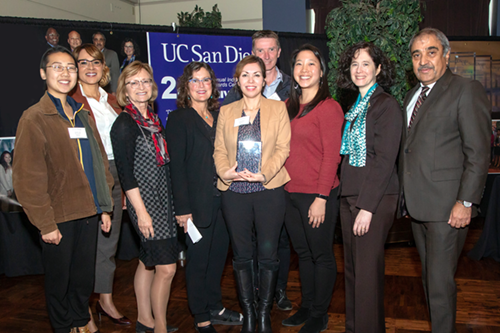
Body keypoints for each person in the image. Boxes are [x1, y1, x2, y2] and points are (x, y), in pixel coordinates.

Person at [13, 46, 114, 333]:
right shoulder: (33, 118)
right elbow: (26, 179)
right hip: (57, 216)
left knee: (83, 279)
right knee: (60, 282)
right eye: (57, 67)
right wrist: (45, 223)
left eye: (70, 67)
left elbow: (99, 163)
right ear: (43, 73)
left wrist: (104, 206)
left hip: (89, 211)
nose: (65, 73)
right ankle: (63, 327)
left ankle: (80, 323)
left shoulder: (81, 114)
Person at [399, 28, 490, 333]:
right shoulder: (412, 95)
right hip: (418, 206)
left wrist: (465, 202)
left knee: (438, 284)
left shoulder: (466, 89)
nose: (423, 60)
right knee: (430, 279)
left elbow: (478, 153)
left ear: (447, 55)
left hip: (448, 210)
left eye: (431, 52)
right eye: (416, 54)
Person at [214, 55, 291, 333]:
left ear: (264, 78)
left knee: (269, 255)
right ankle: (248, 312)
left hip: (268, 190)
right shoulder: (227, 111)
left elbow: (283, 147)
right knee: (242, 255)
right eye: (245, 75)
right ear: (237, 80)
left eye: (256, 75)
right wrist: (226, 171)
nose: (250, 80)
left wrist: (264, 173)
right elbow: (219, 150)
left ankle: (263, 313)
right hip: (234, 191)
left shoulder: (277, 109)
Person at [166, 62, 243, 333]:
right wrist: (182, 210)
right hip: (196, 205)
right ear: (186, 86)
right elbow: (176, 168)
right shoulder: (179, 119)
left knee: (217, 259)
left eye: (206, 80)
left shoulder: (219, 116)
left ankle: (215, 305)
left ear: (213, 86)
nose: (201, 85)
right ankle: (201, 315)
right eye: (195, 80)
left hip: (223, 201)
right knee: (198, 262)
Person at [336, 42, 402, 333]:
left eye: (365, 64)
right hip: (349, 195)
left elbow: (385, 160)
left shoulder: (386, 105)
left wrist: (366, 206)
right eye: (354, 64)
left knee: (366, 275)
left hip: (373, 199)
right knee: (353, 272)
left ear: (378, 68)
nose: (359, 70)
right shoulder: (354, 107)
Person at [111, 61, 178, 333]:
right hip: (146, 204)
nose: (141, 87)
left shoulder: (152, 120)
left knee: (147, 262)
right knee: (167, 269)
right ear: (124, 90)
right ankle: (159, 327)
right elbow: (126, 175)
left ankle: (144, 320)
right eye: (133, 82)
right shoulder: (124, 124)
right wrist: (142, 213)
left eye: (145, 81)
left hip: (165, 201)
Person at [281, 44, 343, 333]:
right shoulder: (288, 107)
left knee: (321, 256)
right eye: (299, 64)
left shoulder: (329, 107)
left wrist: (321, 197)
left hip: (318, 194)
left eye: (311, 64)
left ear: (321, 72)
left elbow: (332, 156)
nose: (304, 70)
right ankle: (306, 305)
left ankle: (320, 313)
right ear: (292, 72)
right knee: (303, 255)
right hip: (289, 193)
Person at [70, 43, 130, 332]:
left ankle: (105, 300)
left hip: (118, 173)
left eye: (95, 62)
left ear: (104, 67)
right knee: (86, 246)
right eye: (83, 63)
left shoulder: (113, 100)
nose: (90, 67)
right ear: (75, 68)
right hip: (90, 176)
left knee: (109, 242)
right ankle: (83, 311)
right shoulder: (71, 103)